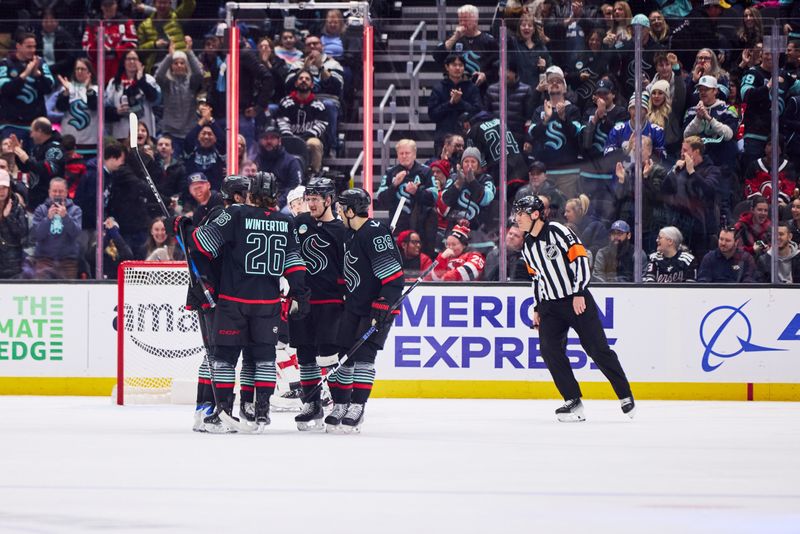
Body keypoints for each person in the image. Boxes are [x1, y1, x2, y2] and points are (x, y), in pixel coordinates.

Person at [185, 171, 309, 433]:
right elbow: (295, 264)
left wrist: (185, 228)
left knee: (224, 358)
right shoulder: (286, 221)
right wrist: (299, 293)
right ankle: (261, 412)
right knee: (263, 358)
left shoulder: (237, 214)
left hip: (234, 301)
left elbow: (202, 244)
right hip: (267, 302)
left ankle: (221, 411)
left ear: (250, 194)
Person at [513, 195, 635, 422]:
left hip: (575, 300)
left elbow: (580, 259)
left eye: (520, 214)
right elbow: (537, 278)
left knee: (597, 349)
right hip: (550, 305)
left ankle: (624, 393)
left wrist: (579, 292)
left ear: (535, 214)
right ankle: (573, 400)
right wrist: (538, 307)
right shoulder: (528, 244)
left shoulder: (558, 231)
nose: (516, 218)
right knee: (549, 350)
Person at [326, 188, 404, 433]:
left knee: (364, 356)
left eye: (341, 208)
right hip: (354, 306)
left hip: (377, 308)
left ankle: (358, 406)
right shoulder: (352, 234)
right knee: (344, 354)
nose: (338, 212)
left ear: (350, 211)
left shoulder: (374, 233)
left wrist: (383, 303)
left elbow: (394, 278)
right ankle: (341, 403)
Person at [289, 177, 346, 431]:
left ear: (329, 200)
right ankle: (312, 403)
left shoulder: (341, 230)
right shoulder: (299, 223)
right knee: (305, 355)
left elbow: (348, 267)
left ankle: (339, 402)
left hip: (330, 302)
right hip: (302, 301)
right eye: (308, 199)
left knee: (329, 355)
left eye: (314, 199)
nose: (309, 204)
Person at [661, 135, 720, 259]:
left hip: (701, 228)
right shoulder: (679, 169)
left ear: (696, 152)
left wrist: (692, 172)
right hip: (679, 223)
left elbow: (708, 192)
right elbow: (664, 190)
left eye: (685, 150)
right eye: (682, 150)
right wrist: (674, 171)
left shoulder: (712, 170)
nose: (682, 153)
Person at [376, 139, 437, 254]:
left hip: (421, 226)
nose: (404, 156)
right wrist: (394, 185)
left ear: (414, 154)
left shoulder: (426, 172)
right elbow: (381, 200)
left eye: (407, 153)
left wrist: (417, 192)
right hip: (398, 224)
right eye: (401, 153)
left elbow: (433, 199)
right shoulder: (390, 173)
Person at [0, 32, 55, 146]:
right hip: (11, 124)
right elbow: (5, 90)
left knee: (34, 161)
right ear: (18, 46)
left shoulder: (40, 63)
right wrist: (24, 75)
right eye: (29, 47)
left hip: (36, 126)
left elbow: (49, 88)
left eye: (34, 46)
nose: (32, 50)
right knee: (11, 159)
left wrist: (38, 74)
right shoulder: (5, 64)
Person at [155, 40, 204, 157]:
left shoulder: (192, 84)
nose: (179, 65)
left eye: (182, 63)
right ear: (171, 66)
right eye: (175, 63)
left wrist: (189, 52)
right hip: (171, 132)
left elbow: (199, 74)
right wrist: (170, 56)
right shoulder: (167, 84)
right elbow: (158, 75)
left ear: (186, 66)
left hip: (190, 131)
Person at [427, 53, 483, 154]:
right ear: (447, 67)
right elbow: (433, 115)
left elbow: (478, 112)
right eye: (454, 65)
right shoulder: (438, 88)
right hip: (443, 138)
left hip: (467, 137)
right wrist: (450, 103)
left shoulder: (472, 88)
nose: (457, 68)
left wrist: (460, 102)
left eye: (460, 65)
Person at [276, 69, 329, 173]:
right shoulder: (286, 102)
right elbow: (282, 121)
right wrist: (290, 137)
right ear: (296, 83)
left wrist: (305, 136)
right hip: (288, 137)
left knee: (315, 143)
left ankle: (314, 174)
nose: (304, 80)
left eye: (307, 79)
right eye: (301, 78)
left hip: (309, 138)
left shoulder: (318, 105)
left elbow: (322, 124)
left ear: (312, 85)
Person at [435, 4, 497, 89]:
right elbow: (437, 55)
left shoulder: (489, 40)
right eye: (460, 20)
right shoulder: (454, 38)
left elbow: (498, 66)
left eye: (466, 19)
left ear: (476, 19)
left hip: (481, 87)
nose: (463, 23)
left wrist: (486, 75)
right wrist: (456, 37)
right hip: (457, 86)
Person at [30, 177, 82, 279]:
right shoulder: (41, 210)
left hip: (67, 262)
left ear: (66, 193)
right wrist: (48, 219)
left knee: (68, 293)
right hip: (44, 260)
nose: (57, 194)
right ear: (49, 192)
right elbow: (36, 236)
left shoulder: (75, 210)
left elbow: (75, 234)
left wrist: (65, 217)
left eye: (61, 191)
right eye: (54, 191)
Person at [7, 117, 64, 209]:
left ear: (40, 131)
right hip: (35, 198)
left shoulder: (55, 149)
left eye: (32, 131)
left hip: (50, 201)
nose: (31, 135)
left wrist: (26, 159)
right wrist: (18, 153)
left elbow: (48, 170)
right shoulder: (38, 147)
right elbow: (27, 168)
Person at [104, 50, 160, 143]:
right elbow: (106, 108)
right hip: (121, 133)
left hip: (144, 134)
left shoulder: (148, 79)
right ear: (123, 62)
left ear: (140, 62)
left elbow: (155, 99)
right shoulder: (114, 83)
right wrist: (116, 111)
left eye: (134, 59)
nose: (131, 62)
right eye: (128, 59)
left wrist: (141, 80)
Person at [441, 147, 496, 235]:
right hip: (454, 229)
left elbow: (486, 199)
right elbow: (445, 200)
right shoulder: (454, 177)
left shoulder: (486, 179)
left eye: (473, 162)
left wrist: (472, 181)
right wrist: (458, 183)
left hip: (478, 231)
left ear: (478, 165)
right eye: (466, 161)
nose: (469, 165)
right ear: (462, 164)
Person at [81, 0, 137, 84]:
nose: (108, 8)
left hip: (120, 70)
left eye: (111, 5)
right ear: (101, 7)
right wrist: (97, 44)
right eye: (105, 5)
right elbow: (86, 49)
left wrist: (114, 50)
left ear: (116, 5)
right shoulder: (93, 24)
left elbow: (132, 45)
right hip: (98, 71)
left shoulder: (126, 22)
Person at [55, 58, 99, 157]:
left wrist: (88, 91)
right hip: (69, 141)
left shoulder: (97, 89)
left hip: (90, 142)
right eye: (77, 69)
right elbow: (60, 108)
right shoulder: (67, 87)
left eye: (83, 69)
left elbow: (94, 107)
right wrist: (66, 93)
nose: (79, 72)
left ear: (89, 72)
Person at [136, 0, 196, 72]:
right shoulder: (144, 25)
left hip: (178, 63)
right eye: (160, 2)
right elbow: (139, 50)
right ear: (154, 4)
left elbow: (190, 4)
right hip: (156, 66)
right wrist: (154, 44)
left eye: (165, 3)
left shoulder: (177, 17)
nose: (162, 6)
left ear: (170, 4)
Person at [254, 126, 304, 209]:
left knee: (287, 213)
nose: (269, 141)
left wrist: (278, 203)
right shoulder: (255, 160)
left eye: (272, 138)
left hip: (284, 202)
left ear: (279, 141)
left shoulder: (291, 161)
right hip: (259, 202)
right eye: (265, 138)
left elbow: (295, 187)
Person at [183, 113, 226, 191]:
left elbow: (222, 139)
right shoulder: (191, 150)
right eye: (203, 133)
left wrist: (211, 119)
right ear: (198, 137)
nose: (206, 137)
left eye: (210, 134)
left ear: (215, 138)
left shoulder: (219, 151)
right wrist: (202, 121)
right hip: (193, 193)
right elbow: (188, 139)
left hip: (214, 193)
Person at [0, 169, 27, 278]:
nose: (1, 191)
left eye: (4, 187)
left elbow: (22, 234)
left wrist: (8, 217)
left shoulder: (17, 208)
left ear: (9, 188)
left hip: (12, 265)